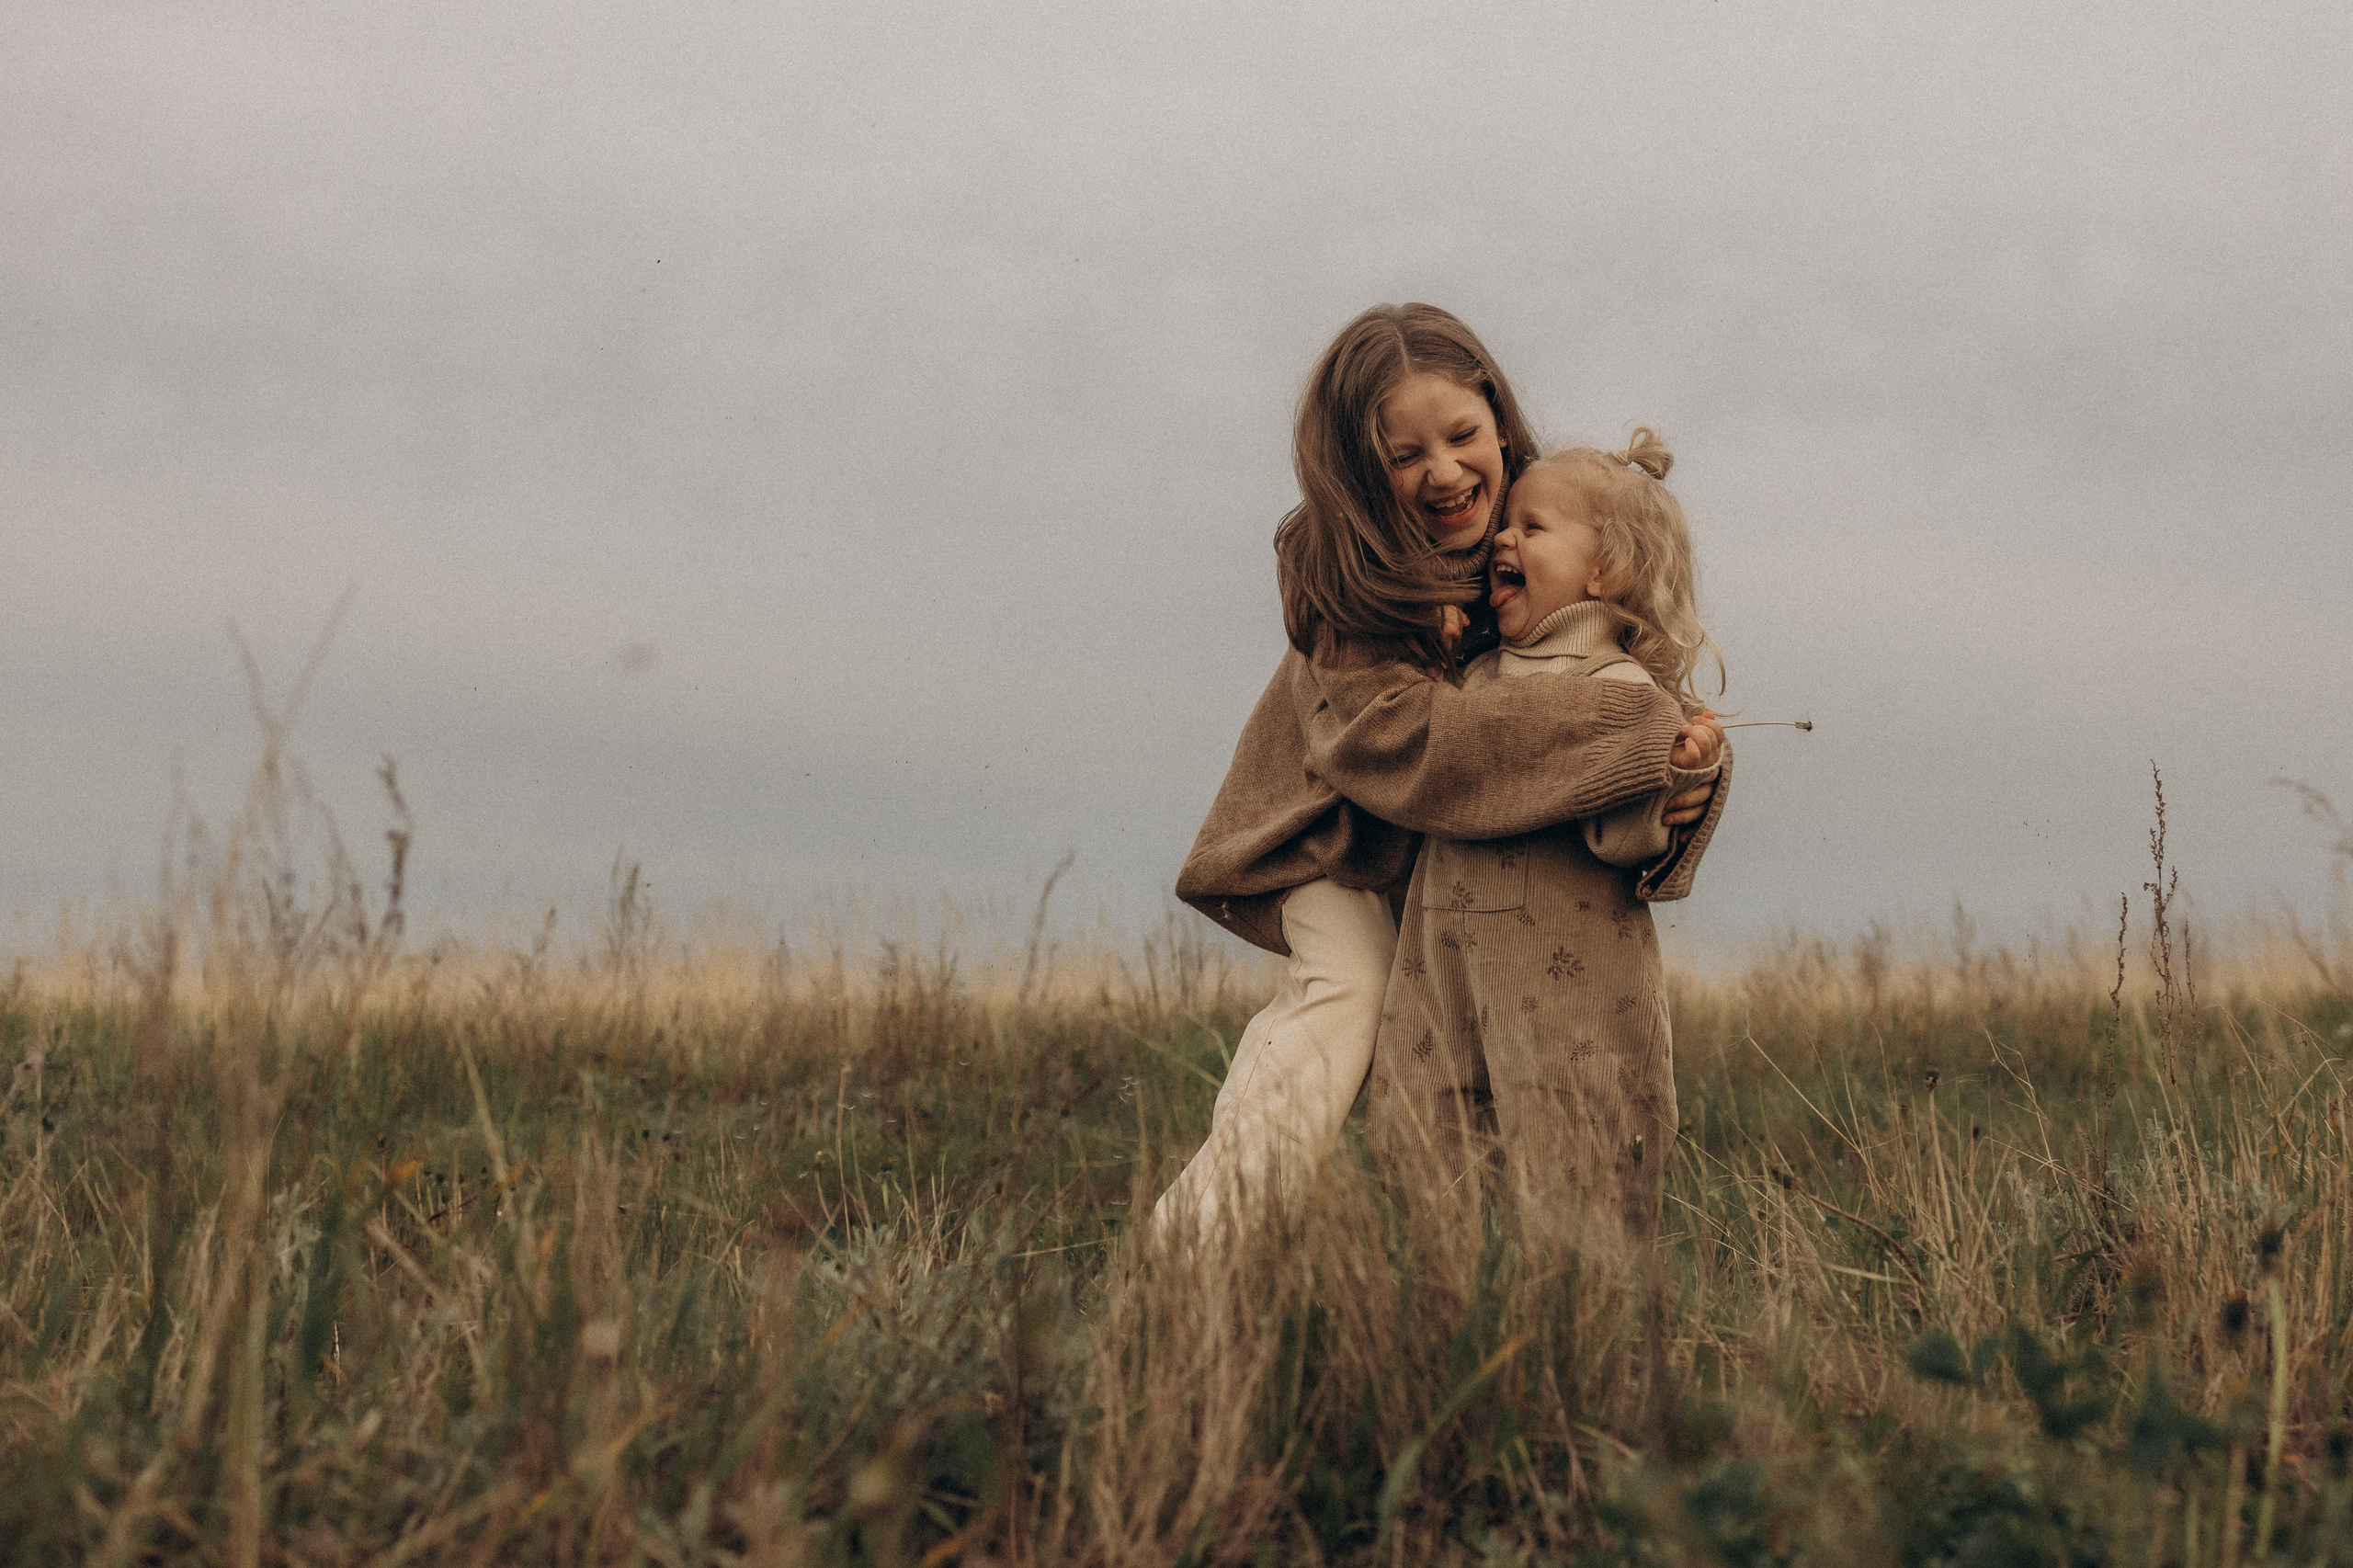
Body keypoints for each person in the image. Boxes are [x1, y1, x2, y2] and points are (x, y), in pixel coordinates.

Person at [1157, 305, 1728, 1243]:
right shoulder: (1346, 582)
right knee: (1351, 982)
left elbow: (1618, 672)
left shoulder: (1527, 529)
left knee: (1461, 1024)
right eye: (1405, 454)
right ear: (1357, 471)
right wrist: (1627, 738)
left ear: (1499, 422)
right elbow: (1406, 743)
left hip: (1423, 852)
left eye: (1463, 434)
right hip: (1318, 839)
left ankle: (1481, 1255)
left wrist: (1681, 769)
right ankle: (1197, 1240)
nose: (1445, 471)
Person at [1365, 430, 1727, 1250]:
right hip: (1448, 985)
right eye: (1508, 524)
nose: (1502, 538)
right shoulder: (1479, 682)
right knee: (1434, 1159)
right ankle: (1449, 1329)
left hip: (1563, 1003)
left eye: (1532, 528)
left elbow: (1624, 839)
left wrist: (1672, 775)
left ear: (1606, 572)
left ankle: (1583, 1350)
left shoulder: (1620, 691)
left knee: (1576, 1172)